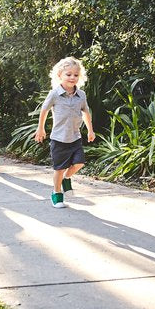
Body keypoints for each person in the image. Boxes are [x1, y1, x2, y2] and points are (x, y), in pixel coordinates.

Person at [33, 57, 96, 208]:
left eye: (76, 75)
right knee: (59, 169)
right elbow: (44, 110)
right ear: (59, 75)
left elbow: (86, 112)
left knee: (79, 163)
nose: (72, 77)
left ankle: (67, 178)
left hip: (75, 137)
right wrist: (40, 128)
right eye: (68, 74)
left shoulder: (81, 95)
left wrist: (90, 130)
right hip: (59, 139)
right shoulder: (54, 94)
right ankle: (56, 194)